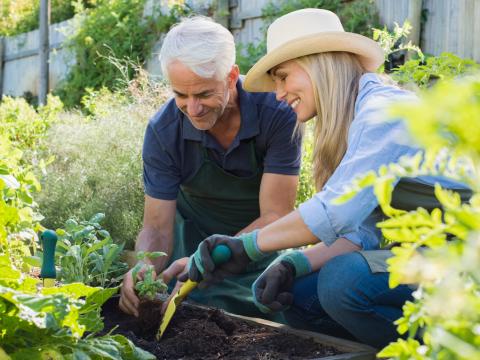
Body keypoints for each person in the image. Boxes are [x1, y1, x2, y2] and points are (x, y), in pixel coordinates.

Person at [182, 8, 472, 349]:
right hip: (431, 260)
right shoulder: (355, 121)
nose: (278, 93)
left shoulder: (385, 115)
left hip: (468, 263)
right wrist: (294, 263)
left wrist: (247, 246)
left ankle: (450, 351)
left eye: (284, 76)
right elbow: (365, 233)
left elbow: (334, 211)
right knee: (298, 294)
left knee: (342, 281)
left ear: (319, 63)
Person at [118, 16, 302, 318]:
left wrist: (217, 257)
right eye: (180, 95)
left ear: (231, 77)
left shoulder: (276, 114)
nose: (193, 109)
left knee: (268, 320)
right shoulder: (164, 131)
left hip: (257, 247)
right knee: (186, 317)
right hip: (188, 246)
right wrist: (145, 266)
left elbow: (275, 215)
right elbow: (156, 226)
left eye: (204, 94)